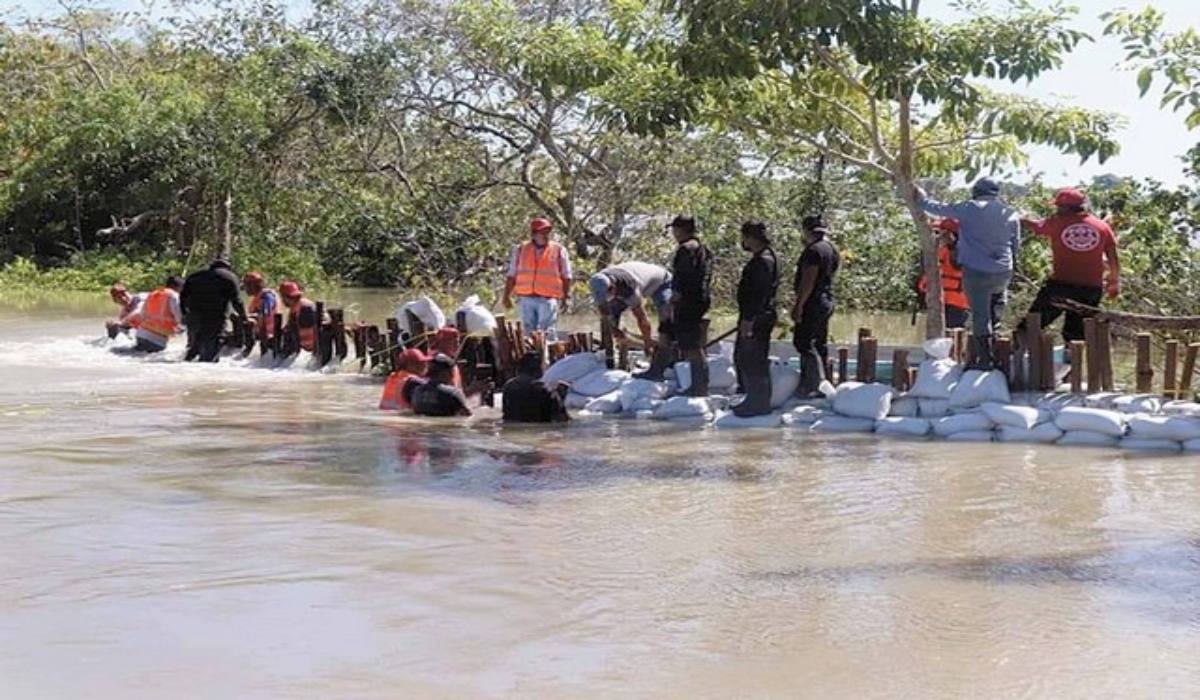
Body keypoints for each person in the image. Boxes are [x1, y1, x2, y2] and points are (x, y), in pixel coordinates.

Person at [914, 177, 1021, 370]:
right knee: (995, 307)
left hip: (977, 271)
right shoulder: (1011, 213)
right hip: (1004, 270)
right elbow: (1015, 246)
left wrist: (921, 197)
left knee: (981, 317)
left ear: (976, 191)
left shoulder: (968, 208)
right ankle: (997, 351)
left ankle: (985, 361)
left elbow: (936, 208)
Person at [1016, 188, 1121, 347]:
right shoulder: (1102, 227)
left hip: (1060, 287)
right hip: (1091, 289)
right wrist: (1114, 282)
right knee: (1076, 336)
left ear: (1066, 207)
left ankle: (1016, 358)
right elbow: (1113, 258)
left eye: (1059, 207)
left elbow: (1035, 225)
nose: (1057, 210)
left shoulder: (1057, 223)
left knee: (1031, 325)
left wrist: (1015, 219)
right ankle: (1072, 367)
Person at [654, 214, 714, 393]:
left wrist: (675, 298)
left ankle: (699, 385)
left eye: (674, 229)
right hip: (699, 299)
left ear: (680, 229)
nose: (673, 233)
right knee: (666, 331)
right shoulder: (703, 249)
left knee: (691, 344)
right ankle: (656, 369)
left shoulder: (686, 249)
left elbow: (684, 277)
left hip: (688, 300)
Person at [790, 215, 841, 398]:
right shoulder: (831, 250)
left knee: (803, 342)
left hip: (813, 301)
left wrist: (798, 305)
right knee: (820, 343)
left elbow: (808, 280)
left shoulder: (813, 251)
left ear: (806, 231)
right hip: (826, 300)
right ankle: (825, 382)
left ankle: (812, 386)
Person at [733, 220, 779, 417]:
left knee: (751, 359)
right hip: (761, 314)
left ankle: (757, 403)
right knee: (752, 358)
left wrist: (748, 320)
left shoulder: (762, 262)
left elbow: (758, 294)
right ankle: (755, 399)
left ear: (750, 238)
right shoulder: (770, 257)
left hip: (756, 317)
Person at [502, 217, 572, 339]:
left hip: (547, 299)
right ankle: (532, 357)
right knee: (528, 332)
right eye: (542, 232)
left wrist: (566, 297)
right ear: (533, 234)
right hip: (526, 298)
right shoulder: (521, 249)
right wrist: (506, 296)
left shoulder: (558, 249)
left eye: (548, 232)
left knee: (547, 332)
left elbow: (566, 276)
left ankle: (549, 357)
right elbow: (512, 274)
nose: (546, 235)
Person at [588, 261, 672, 360]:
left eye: (607, 296)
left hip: (662, 281)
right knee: (613, 310)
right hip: (636, 279)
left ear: (612, 288)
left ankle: (669, 348)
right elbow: (603, 311)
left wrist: (647, 343)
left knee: (666, 312)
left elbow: (641, 318)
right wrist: (613, 328)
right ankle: (607, 347)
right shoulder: (598, 282)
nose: (605, 300)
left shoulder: (629, 288)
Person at [181, 258, 246, 362]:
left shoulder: (194, 276)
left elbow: (183, 297)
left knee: (194, 347)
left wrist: (184, 314)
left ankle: (183, 369)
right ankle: (205, 373)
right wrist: (244, 317)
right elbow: (237, 301)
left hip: (194, 318)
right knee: (210, 353)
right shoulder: (229, 277)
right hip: (215, 319)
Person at [916, 218, 970, 330]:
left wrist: (952, 243)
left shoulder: (960, 251)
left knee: (951, 338)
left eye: (938, 232)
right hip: (938, 302)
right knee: (936, 338)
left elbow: (958, 263)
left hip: (955, 305)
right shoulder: (938, 250)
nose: (936, 235)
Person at [501, 351, 570, 423]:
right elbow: (561, 419)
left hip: (514, 428)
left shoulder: (509, 386)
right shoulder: (546, 388)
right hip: (541, 430)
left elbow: (506, 414)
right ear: (539, 368)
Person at [123, 275, 184, 353]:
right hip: (156, 340)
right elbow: (180, 317)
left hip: (141, 334)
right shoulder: (174, 296)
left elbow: (142, 314)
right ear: (179, 287)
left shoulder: (153, 294)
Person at [278, 280, 323, 355]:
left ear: (286, 297)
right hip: (304, 348)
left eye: (282, 297)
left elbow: (305, 327)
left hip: (309, 349)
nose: (282, 300)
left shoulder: (305, 308)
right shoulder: (296, 307)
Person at [379, 347, 431, 411]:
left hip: (387, 415)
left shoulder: (393, 376)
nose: (425, 365)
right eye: (421, 362)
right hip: (400, 415)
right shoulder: (412, 381)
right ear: (410, 365)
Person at [241, 271, 278, 344]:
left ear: (253, 285)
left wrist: (245, 316)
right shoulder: (257, 297)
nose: (245, 289)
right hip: (257, 333)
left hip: (267, 335)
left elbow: (265, 313)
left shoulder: (267, 296)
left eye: (246, 286)